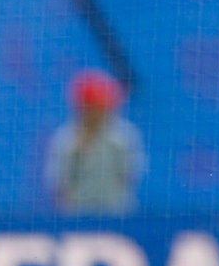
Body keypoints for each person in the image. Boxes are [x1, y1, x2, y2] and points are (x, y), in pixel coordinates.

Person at [45, 68, 146, 214]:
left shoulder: (124, 136)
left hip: (117, 214)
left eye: (102, 107)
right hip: (77, 216)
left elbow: (131, 175)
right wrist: (78, 151)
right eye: (94, 108)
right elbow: (57, 182)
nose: (98, 113)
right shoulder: (65, 139)